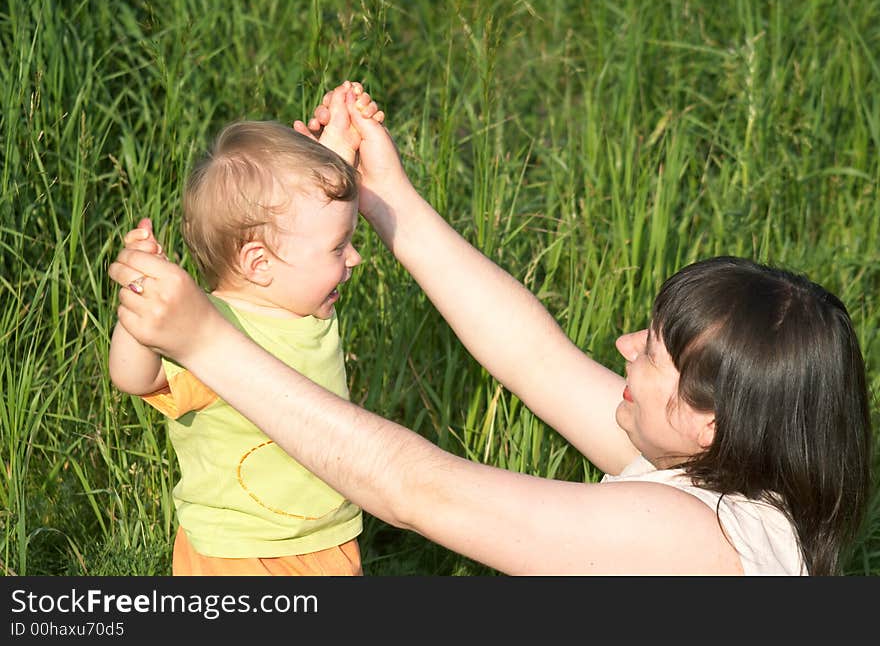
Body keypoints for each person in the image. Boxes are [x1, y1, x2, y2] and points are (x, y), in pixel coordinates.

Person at [109, 82, 873, 575]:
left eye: (651, 352)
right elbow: (531, 355)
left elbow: (421, 492)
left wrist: (208, 342)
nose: (622, 347)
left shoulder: (691, 545)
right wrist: (383, 198)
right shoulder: (735, 478)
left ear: (709, 422)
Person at [108, 82, 385, 576]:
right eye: (340, 247)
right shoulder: (208, 329)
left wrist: (338, 150)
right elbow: (135, 379)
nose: (355, 259)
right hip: (239, 554)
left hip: (330, 538)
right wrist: (140, 306)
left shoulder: (308, 303)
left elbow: (309, 217)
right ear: (259, 263)